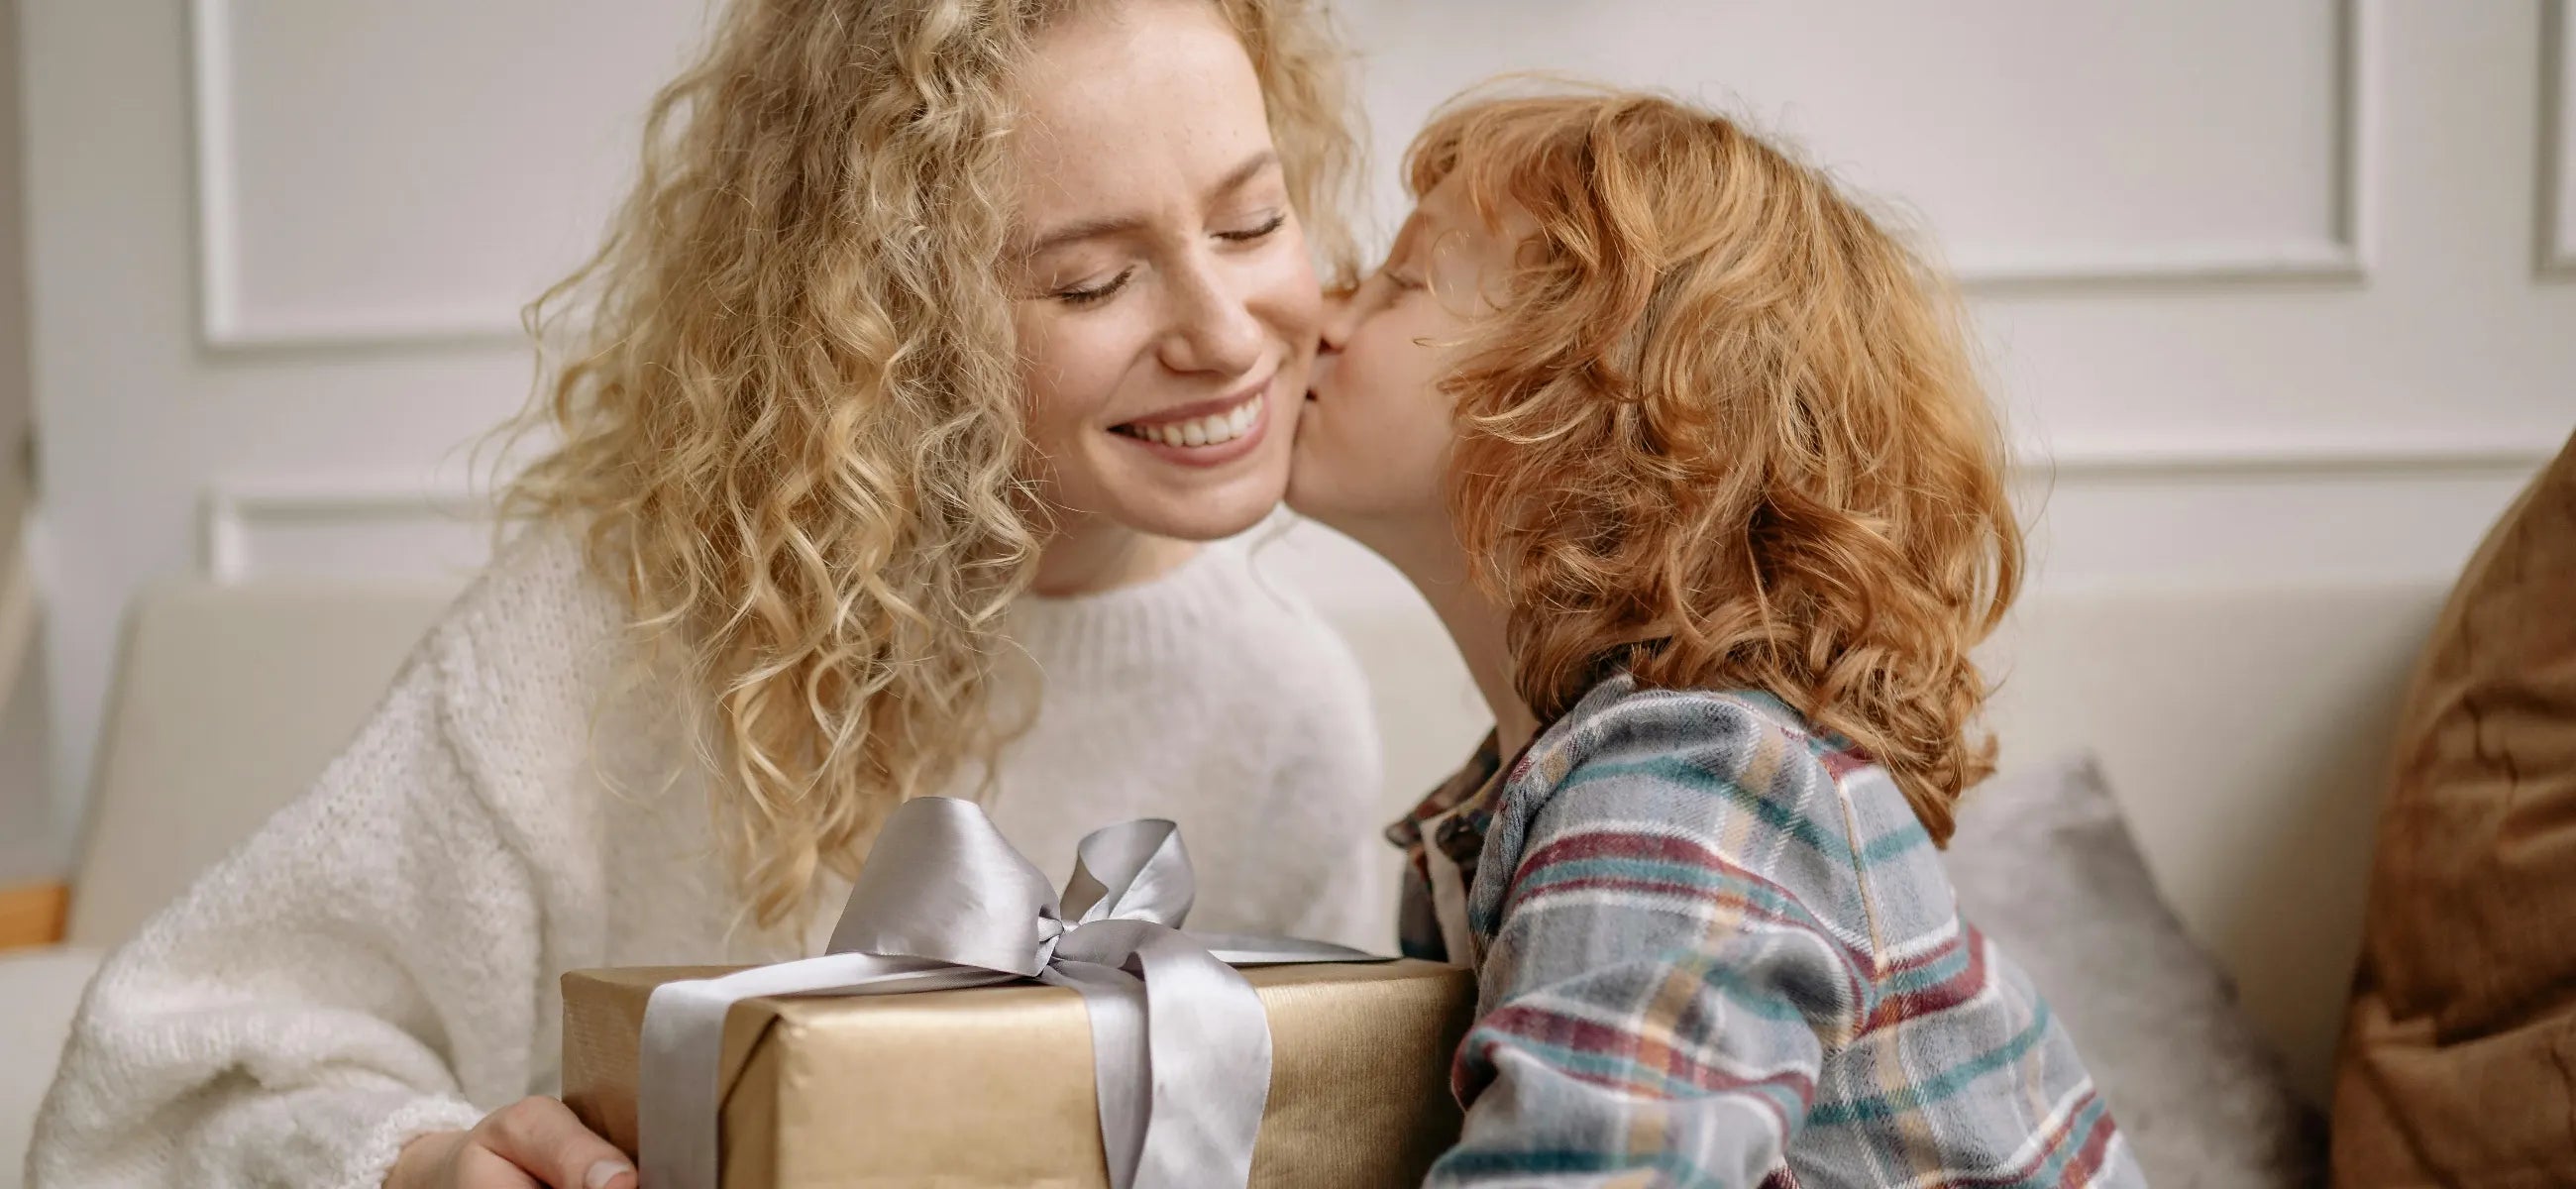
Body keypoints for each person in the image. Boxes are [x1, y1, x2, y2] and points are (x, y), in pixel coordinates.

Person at [30, 1, 1387, 1186]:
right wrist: (416, 1163)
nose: (1224, 332)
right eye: (1094, 279)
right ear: (902, 314)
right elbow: (163, 1079)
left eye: (1252, 218)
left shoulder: (1288, 709)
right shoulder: (609, 640)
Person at [1286, 87, 2147, 1185]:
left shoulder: (1681, 790)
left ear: (1585, 407)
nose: (1320, 315)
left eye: (1398, 281)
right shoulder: (1524, 807)